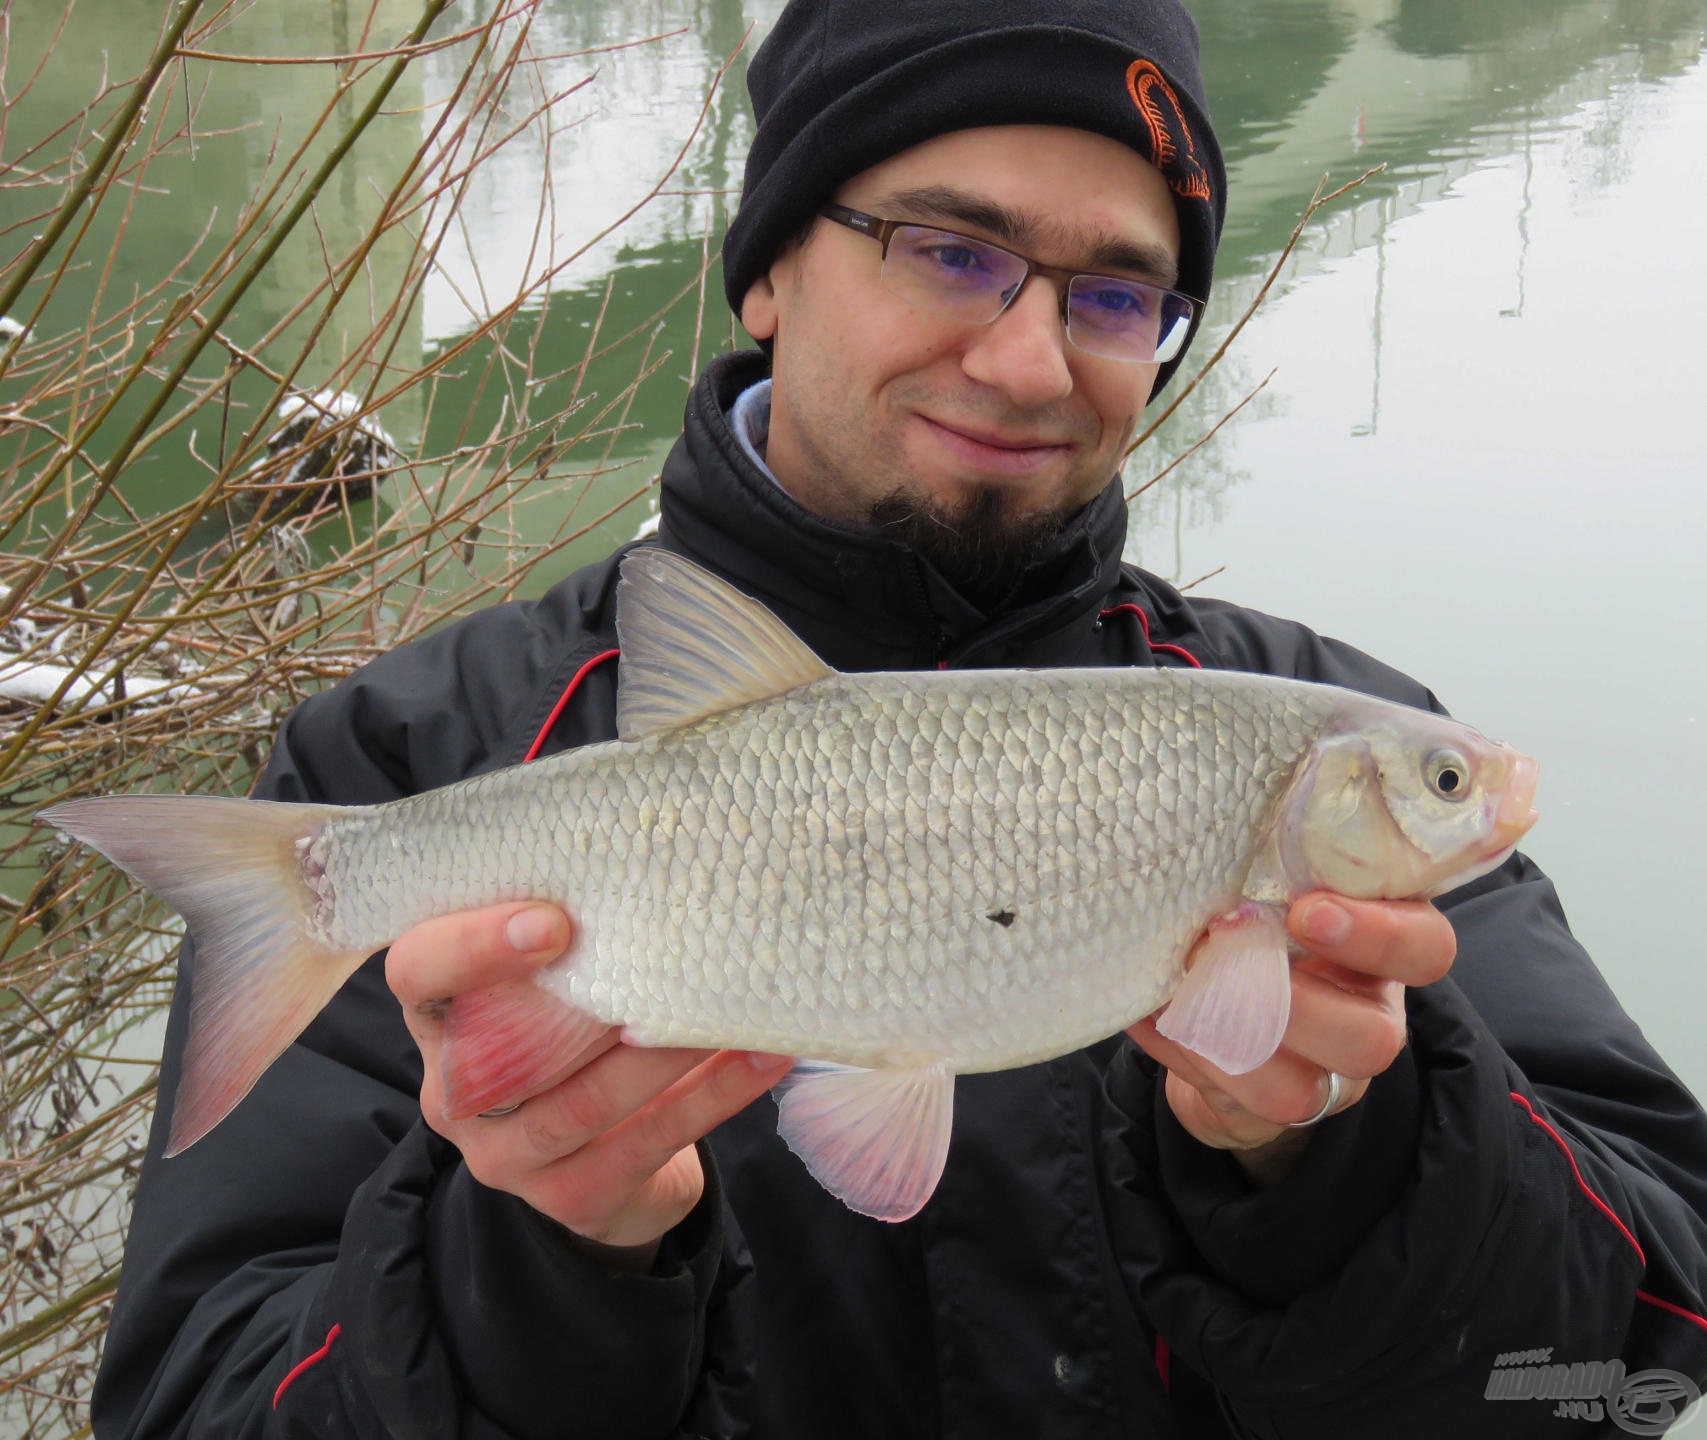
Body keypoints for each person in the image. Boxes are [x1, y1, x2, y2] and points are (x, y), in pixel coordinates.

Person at [92, 0, 1707, 1436]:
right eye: (950, 251)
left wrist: (1346, 1163)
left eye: (1115, 298)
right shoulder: (394, 766)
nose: (1023, 361)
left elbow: (1646, 1354)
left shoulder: (1330, 749)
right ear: (771, 269)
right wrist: (534, 1257)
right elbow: (192, 1400)